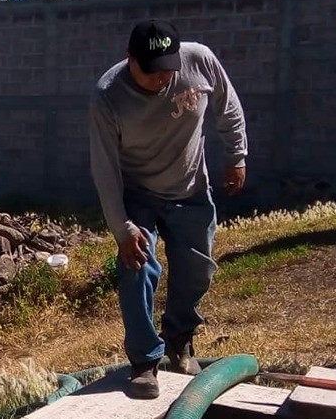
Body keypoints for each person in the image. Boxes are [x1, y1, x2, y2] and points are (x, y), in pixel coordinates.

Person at [89, 20, 248, 399]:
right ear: (130, 59)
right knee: (136, 267)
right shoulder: (108, 96)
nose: (162, 78)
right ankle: (144, 362)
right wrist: (122, 228)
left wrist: (237, 155)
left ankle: (179, 339)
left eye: (168, 68)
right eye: (152, 70)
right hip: (138, 193)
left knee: (197, 271)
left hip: (190, 188)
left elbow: (228, 106)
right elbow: (104, 170)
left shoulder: (200, 61)